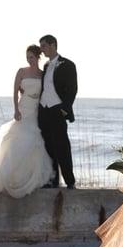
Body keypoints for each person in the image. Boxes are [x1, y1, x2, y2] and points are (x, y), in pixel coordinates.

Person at [0, 45, 54, 198]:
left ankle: (30, 178)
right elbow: (15, 92)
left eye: (31, 57)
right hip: (23, 107)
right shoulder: (21, 71)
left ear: (38, 57)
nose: (29, 60)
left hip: (36, 109)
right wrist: (16, 109)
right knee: (18, 138)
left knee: (35, 140)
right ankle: (10, 175)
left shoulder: (42, 74)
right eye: (27, 57)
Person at [38, 34, 77, 189]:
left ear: (53, 45)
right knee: (48, 147)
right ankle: (53, 180)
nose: (42, 50)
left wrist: (64, 109)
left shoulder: (68, 64)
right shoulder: (46, 66)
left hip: (57, 110)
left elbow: (72, 90)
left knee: (62, 147)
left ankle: (70, 181)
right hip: (44, 111)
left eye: (44, 46)